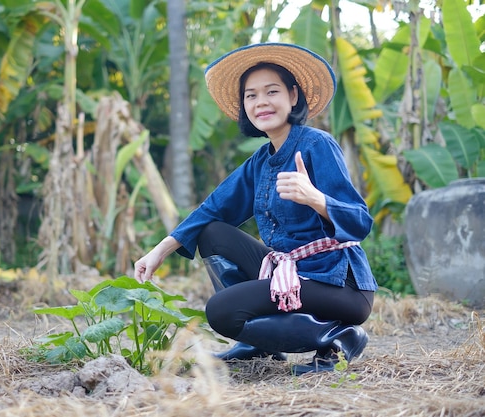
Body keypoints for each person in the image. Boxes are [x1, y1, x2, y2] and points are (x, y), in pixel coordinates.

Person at [133, 43, 377, 375]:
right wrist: (158, 251)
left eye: (271, 91)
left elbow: (361, 221)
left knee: (221, 312)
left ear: (293, 96)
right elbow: (212, 209)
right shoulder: (260, 161)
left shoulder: (317, 145)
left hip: (339, 286)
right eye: (250, 95)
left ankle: (338, 337)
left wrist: (315, 198)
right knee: (213, 232)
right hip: (289, 276)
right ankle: (256, 345)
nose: (260, 102)